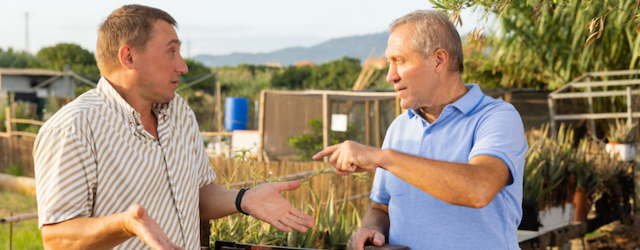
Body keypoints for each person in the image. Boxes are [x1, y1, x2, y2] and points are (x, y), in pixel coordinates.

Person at [33, 5, 314, 250]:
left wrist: (244, 199)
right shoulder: (73, 128)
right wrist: (124, 225)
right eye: (171, 52)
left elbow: (199, 194)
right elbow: (57, 240)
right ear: (128, 57)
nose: (183, 67)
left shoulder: (179, 112)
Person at [313, 10, 527, 250]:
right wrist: (372, 228)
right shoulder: (399, 127)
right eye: (389, 63)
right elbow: (380, 208)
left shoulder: (496, 117)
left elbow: (479, 189)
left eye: (400, 61)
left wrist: (383, 158)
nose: (389, 76)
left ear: (438, 60)